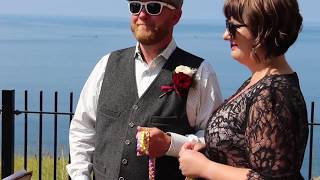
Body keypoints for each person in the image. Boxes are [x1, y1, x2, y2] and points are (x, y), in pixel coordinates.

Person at [66, 0, 223, 179]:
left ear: (176, 16)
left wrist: (171, 144)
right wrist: (80, 176)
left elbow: (214, 139)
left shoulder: (201, 72)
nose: (142, 14)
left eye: (153, 7)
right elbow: (83, 128)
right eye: (135, 6)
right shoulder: (106, 64)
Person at [178, 0, 309, 179]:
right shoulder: (261, 81)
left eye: (232, 27)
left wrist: (204, 167)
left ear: (263, 29)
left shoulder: (272, 94)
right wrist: (212, 150)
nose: (225, 35)